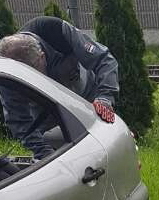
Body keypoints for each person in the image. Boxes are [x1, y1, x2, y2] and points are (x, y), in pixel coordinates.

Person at [0, 16, 117, 158]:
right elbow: (18, 119)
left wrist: (105, 97)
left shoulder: (55, 31)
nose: (35, 82)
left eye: (35, 75)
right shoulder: (8, 70)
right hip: (45, 113)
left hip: (87, 97)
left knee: (104, 145)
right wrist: (44, 154)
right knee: (57, 153)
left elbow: (104, 60)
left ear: (42, 56)